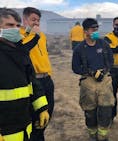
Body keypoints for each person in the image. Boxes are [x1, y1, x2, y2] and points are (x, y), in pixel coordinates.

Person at [0, 8, 49, 141]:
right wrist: (34, 35)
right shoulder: (23, 42)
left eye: (17, 25)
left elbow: (31, 81)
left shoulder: (18, 51)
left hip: (23, 125)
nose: (15, 29)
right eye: (9, 25)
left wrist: (42, 108)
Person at [72, 18, 114, 141]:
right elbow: (75, 68)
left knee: (106, 110)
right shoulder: (79, 49)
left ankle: (103, 136)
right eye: (92, 29)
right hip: (88, 82)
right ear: (85, 31)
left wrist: (104, 72)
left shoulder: (104, 44)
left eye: (97, 29)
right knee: (90, 112)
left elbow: (111, 61)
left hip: (105, 81)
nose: (95, 32)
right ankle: (92, 135)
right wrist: (91, 72)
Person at [20, 7, 54, 141]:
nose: (36, 23)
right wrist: (33, 34)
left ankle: (39, 136)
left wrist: (49, 73)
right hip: (32, 82)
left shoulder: (42, 35)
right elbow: (22, 51)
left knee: (47, 113)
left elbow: (44, 55)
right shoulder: (19, 35)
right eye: (33, 20)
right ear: (24, 19)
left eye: (38, 20)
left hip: (47, 79)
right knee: (35, 116)